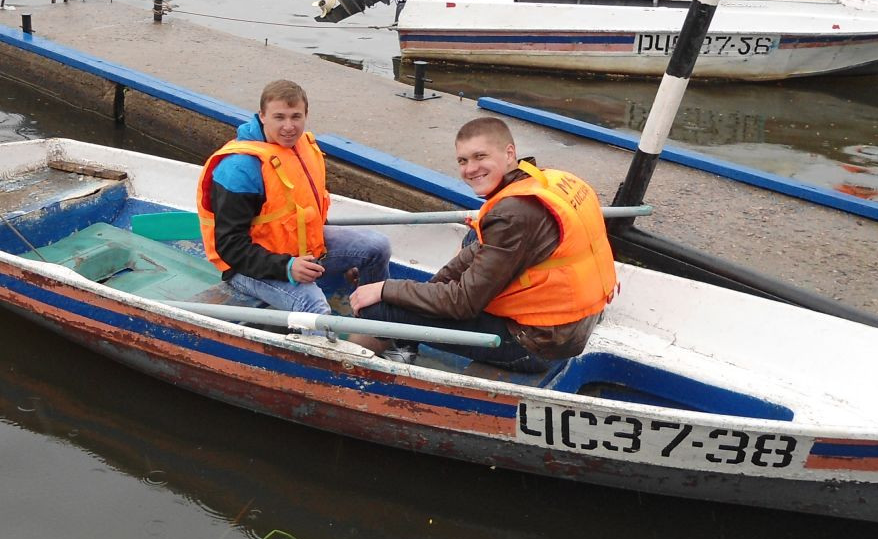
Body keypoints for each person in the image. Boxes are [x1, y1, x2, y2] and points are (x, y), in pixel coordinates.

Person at [349, 117, 617, 371]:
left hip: (537, 344)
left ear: (509, 153)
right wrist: (424, 296)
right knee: (472, 238)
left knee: (378, 308)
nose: (470, 169)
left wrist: (387, 290)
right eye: (463, 160)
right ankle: (405, 338)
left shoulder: (512, 214)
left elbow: (462, 303)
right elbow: (476, 250)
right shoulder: (548, 181)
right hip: (576, 321)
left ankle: (347, 366)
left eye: (480, 156)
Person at [197, 79, 391, 315]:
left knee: (376, 247)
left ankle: (374, 332)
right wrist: (287, 267)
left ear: (306, 115)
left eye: (295, 116)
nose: (289, 126)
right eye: (279, 117)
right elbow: (229, 247)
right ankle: (317, 351)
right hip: (246, 268)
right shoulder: (240, 168)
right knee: (313, 306)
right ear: (262, 116)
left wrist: (346, 260)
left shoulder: (301, 148)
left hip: (300, 249)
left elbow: (310, 213)